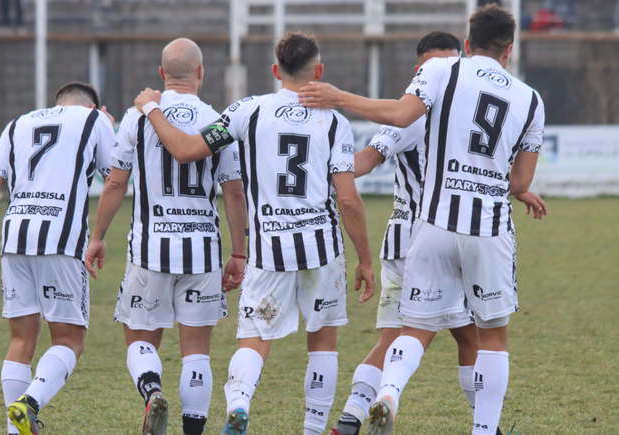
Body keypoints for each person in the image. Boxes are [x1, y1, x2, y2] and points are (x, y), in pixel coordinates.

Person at [299, 5, 545, 435]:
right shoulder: (530, 99)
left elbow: (398, 115)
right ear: (510, 49)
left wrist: (338, 97)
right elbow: (521, 179)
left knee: (410, 330)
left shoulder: (442, 72)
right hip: (488, 229)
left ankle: (388, 396)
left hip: (429, 227)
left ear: (467, 45)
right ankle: (485, 430)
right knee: (490, 338)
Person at [134, 32, 377, 435]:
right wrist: (365, 259)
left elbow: (186, 150)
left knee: (254, 339)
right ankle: (313, 430)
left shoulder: (247, 111)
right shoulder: (335, 122)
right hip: (320, 253)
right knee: (322, 342)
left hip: (269, 254)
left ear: (274, 70)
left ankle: (240, 403)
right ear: (318, 71)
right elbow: (348, 200)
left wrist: (152, 108)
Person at [84, 38, 248, 435]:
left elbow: (114, 185)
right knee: (197, 353)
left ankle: (153, 390)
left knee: (140, 338)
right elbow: (234, 191)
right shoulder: (217, 119)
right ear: (201, 74)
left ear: (162, 74)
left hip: (149, 249)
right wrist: (239, 253)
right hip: (202, 253)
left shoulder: (136, 117)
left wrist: (96, 236)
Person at [0, 82, 116, 435]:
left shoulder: (18, 123)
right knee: (69, 341)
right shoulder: (95, 120)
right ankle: (30, 403)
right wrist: (98, 236)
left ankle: (13, 429)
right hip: (61, 240)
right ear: (94, 106)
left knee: (20, 341)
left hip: (15, 237)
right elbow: (115, 180)